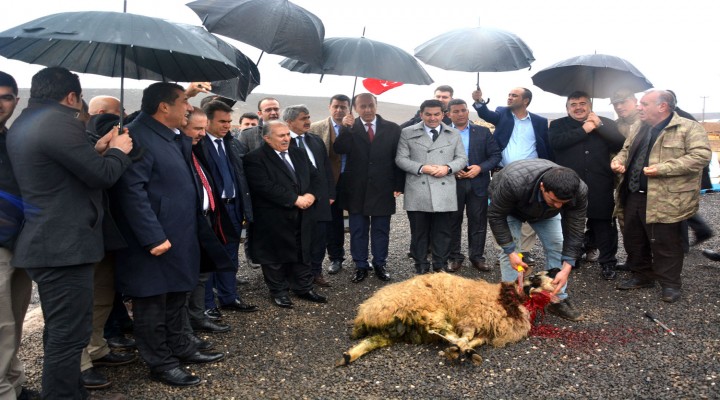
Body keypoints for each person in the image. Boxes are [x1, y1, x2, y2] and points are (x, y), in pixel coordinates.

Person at [7, 67, 133, 399]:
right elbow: (103, 176)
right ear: (72, 97)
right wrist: (120, 150)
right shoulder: (61, 122)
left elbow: (62, 171)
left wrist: (101, 147)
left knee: (64, 332)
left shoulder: (29, 120)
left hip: (52, 242)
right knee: (68, 336)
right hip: (62, 246)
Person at [111, 82, 224, 387]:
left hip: (179, 232)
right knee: (151, 301)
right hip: (154, 239)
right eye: (183, 103)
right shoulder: (136, 136)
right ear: (164, 107)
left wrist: (187, 97)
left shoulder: (168, 135)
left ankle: (182, 347)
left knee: (176, 294)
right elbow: (130, 191)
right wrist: (152, 237)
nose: (188, 108)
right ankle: (160, 363)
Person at [612, 89, 711, 303]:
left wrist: (663, 168)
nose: (639, 107)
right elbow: (626, 150)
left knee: (666, 243)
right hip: (633, 195)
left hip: (667, 198)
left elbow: (701, 156)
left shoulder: (688, 128)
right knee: (634, 239)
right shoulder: (637, 126)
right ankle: (642, 276)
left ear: (662, 106)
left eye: (645, 104)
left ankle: (670, 284)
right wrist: (618, 161)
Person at [488, 159, 587, 321]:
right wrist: (510, 251)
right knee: (511, 253)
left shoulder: (579, 190)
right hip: (510, 209)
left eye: (563, 203)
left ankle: (556, 298)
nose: (558, 206)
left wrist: (568, 266)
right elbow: (496, 215)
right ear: (542, 187)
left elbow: (575, 228)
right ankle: (510, 301)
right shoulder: (512, 182)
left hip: (544, 213)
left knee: (557, 244)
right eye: (554, 200)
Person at [243, 120, 327, 308]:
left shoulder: (298, 153)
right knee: (274, 257)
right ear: (266, 138)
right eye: (281, 135)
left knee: (303, 250)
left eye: (287, 134)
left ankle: (304, 287)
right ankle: (278, 291)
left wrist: (311, 195)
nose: (286, 138)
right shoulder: (255, 158)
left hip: (303, 214)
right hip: (274, 217)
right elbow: (264, 186)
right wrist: (294, 199)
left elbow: (315, 176)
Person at [471, 86, 554, 266]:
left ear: (525, 101)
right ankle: (505, 251)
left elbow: (545, 144)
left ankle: (524, 251)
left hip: (532, 175)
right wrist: (479, 102)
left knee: (528, 212)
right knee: (501, 211)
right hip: (503, 173)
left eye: (514, 96)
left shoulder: (539, 121)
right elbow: (486, 115)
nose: (509, 98)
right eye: (508, 94)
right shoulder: (502, 114)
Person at [548, 91, 625, 280]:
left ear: (590, 106)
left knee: (604, 225)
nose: (578, 107)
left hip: (599, 183)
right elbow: (556, 143)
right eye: (573, 104)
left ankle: (608, 263)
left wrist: (598, 126)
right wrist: (585, 129)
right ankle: (571, 259)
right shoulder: (558, 125)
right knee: (570, 224)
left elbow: (621, 143)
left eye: (583, 103)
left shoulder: (604, 123)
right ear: (567, 109)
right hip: (569, 185)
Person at [334, 93, 405, 283]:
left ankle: (380, 263)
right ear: (355, 108)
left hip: (383, 187)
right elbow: (339, 149)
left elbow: (398, 158)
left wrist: (399, 184)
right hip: (356, 188)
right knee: (358, 229)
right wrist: (345, 129)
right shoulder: (350, 127)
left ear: (376, 105)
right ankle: (360, 265)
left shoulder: (392, 128)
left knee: (381, 229)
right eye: (362, 106)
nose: (367, 110)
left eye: (370, 105)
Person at [0, 71, 39, 400]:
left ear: (16, 100)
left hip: (20, 243)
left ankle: (15, 385)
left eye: (6, 96)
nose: (0, 103)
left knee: (12, 322)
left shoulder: (10, 138)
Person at [200, 100, 258, 319]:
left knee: (230, 255)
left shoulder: (232, 143)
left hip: (233, 207)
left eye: (229, 121)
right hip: (211, 211)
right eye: (222, 121)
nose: (227, 125)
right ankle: (207, 305)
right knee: (208, 257)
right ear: (207, 121)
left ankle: (229, 297)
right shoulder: (197, 144)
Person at [396, 99, 467, 274]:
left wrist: (447, 168)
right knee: (419, 231)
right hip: (418, 188)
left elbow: (462, 159)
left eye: (436, 114)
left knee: (442, 231)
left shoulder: (453, 134)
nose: (432, 118)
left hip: (444, 189)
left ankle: (440, 265)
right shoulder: (407, 132)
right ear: (421, 114)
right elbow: (401, 159)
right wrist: (422, 168)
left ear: (443, 114)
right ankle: (421, 265)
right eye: (428, 114)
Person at [179, 107, 233, 339]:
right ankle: (183, 328)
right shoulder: (177, 152)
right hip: (186, 223)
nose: (202, 133)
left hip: (205, 219)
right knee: (186, 277)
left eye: (203, 128)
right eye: (197, 128)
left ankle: (198, 317)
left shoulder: (195, 150)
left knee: (202, 272)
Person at [445, 99, 502, 273]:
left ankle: (477, 257)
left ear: (468, 111)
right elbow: (435, 156)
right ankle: (454, 257)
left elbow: (495, 155)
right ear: (448, 114)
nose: (460, 114)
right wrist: (450, 169)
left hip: (478, 183)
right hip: (452, 183)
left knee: (478, 222)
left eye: (463, 110)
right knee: (452, 221)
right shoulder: (443, 133)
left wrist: (480, 168)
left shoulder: (483, 132)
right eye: (455, 111)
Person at [285, 105, 335, 287]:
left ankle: (316, 272)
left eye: (308, 117)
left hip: (321, 200)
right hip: (298, 201)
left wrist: (331, 193)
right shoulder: (284, 142)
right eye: (302, 118)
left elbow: (325, 168)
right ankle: (298, 275)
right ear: (289, 122)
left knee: (319, 238)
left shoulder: (315, 140)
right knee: (298, 239)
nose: (307, 121)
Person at [309, 94, 351, 275]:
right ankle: (335, 257)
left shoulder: (357, 128)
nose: (339, 110)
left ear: (349, 109)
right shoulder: (316, 128)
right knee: (332, 221)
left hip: (351, 181)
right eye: (336, 106)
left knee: (356, 220)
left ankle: (362, 258)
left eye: (343, 107)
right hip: (329, 182)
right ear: (329, 107)